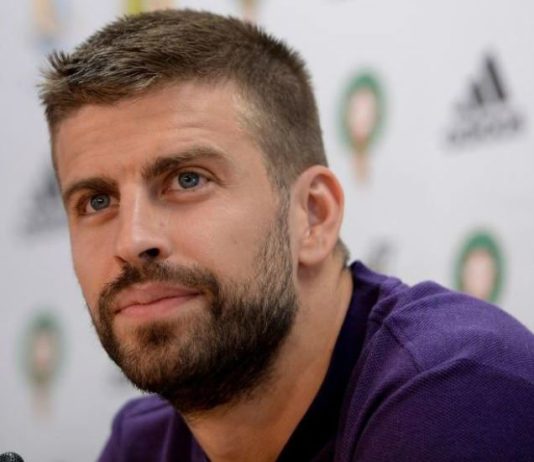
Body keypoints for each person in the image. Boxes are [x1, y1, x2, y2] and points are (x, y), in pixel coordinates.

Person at [38, 9, 534, 462]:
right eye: (96, 202)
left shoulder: (457, 391)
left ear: (313, 216)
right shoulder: (144, 444)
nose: (131, 240)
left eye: (188, 179)